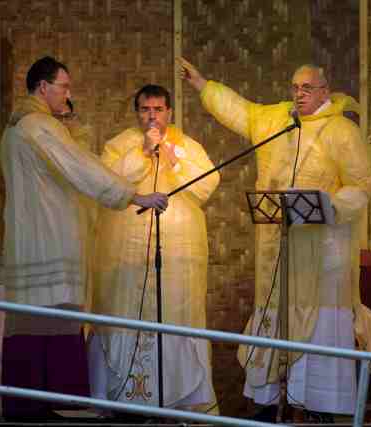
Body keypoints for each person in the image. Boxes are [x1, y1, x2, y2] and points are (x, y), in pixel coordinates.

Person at [180, 58, 371, 420]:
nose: (299, 94)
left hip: (322, 255)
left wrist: (330, 207)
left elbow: (362, 186)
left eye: (307, 88)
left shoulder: (341, 130)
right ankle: (267, 407)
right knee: (273, 319)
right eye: (295, 88)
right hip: (276, 251)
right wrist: (202, 84)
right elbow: (240, 111)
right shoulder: (277, 121)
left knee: (319, 332)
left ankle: (319, 410)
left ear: (325, 91)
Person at [0, 56, 168, 421]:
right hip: (49, 241)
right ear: (43, 87)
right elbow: (81, 168)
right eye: (64, 87)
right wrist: (134, 195)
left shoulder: (16, 127)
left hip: (29, 243)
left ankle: (30, 405)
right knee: (54, 317)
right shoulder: (38, 126)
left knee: (33, 322)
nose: (68, 94)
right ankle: (52, 404)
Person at [87, 84, 219, 413]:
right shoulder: (120, 145)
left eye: (158, 110)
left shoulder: (187, 145)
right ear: (137, 112)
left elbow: (206, 185)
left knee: (175, 318)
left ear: (169, 113)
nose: (152, 116)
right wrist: (143, 152)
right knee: (125, 318)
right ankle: (119, 400)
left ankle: (181, 402)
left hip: (177, 257)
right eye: (146, 109)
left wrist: (173, 159)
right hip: (125, 257)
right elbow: (107, 183)